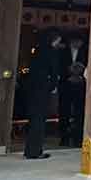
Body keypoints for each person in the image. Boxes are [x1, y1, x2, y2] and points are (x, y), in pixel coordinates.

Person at [24, 30, 63, 160]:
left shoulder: (37, 51)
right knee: (39, 121)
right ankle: (36, 150)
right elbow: (53, 71)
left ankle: (30, 149)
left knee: (34, 119)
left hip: (33, 88)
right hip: (43, 89)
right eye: (58, 40)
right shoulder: (51, 52)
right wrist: (53, 86)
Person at [58, 35, 87, 147]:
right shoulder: (63, 51)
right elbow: (59, 66)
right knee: (64, 110)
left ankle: (78, 137)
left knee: (79, 112)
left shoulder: (85, 51)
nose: (80, 44)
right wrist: (68, 75)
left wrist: (80, 76)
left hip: (80, 85)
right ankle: (64, 136)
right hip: (66, 84)